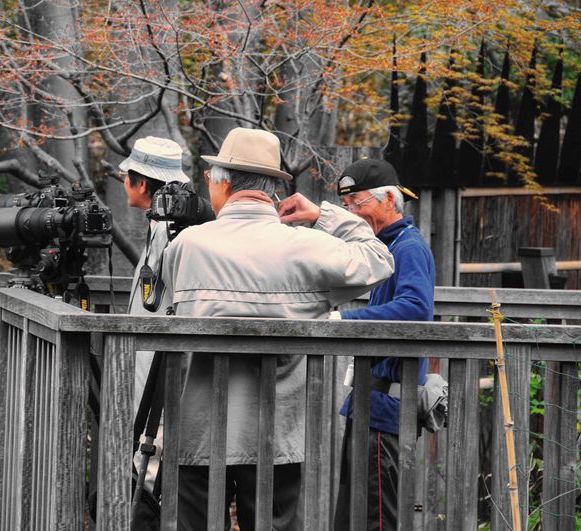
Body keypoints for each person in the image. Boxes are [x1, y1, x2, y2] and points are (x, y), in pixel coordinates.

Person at [162, 128, 395, 530]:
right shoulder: (304, 246)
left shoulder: (186, 246)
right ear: (273, 189)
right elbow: (379, 259)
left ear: (224, 183)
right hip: (277, 433)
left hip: (198, 431)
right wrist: (323, 215)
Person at [280, 158, 434, 530]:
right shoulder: (383, 247)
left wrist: (342, 320)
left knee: (375, 517)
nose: (352, 212)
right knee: (353, 515)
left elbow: (416, 308)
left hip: (387, 406)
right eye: (347, 206)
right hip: (370, 402)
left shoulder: (408, 247)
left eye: (358, 203)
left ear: (389, 201)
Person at [119, 136, 191, 489]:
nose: (123, 182)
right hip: (148, 365)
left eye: (127, 176)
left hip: (159, 370)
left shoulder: (170, 231)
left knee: (149, 469)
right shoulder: (159, 226)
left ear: (142, 183)